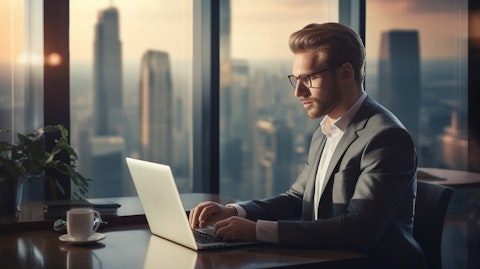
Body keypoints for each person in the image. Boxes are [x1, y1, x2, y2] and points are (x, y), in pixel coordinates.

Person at [189, 22, 426, 269]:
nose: (298, 91)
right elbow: (298, 198)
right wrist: (235, 212)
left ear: (345, 73)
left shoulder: (386, 138)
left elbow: (360, 230)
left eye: (309, 78)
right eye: (296, 79)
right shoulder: (326, 129)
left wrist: (258, 231)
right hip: (321, 259)